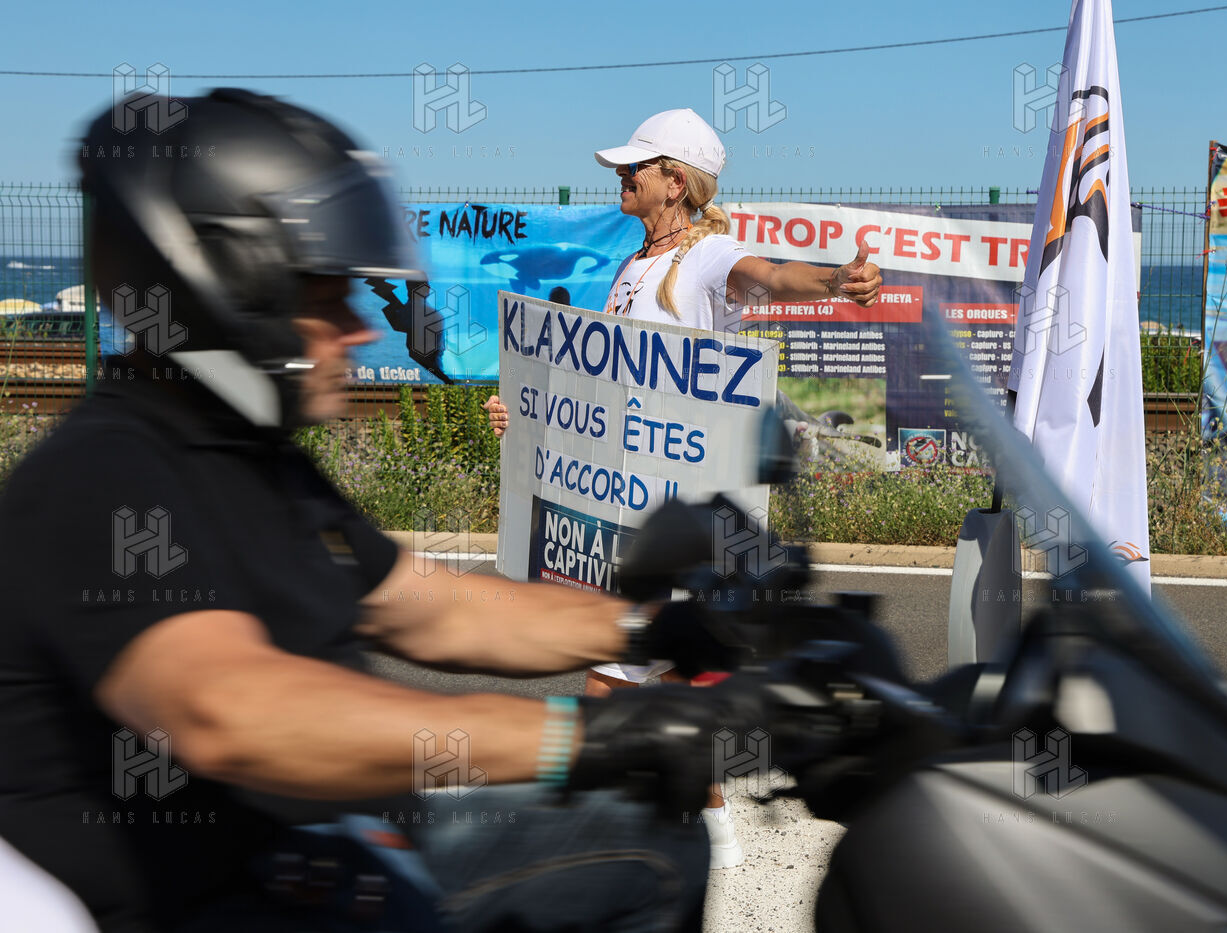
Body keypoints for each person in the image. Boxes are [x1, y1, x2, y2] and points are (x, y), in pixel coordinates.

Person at [0, 89, 769, 933]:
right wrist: (596, 739)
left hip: (303, 855)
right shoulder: (106, 473)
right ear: (230, 288)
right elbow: (236, 714)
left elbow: (436, 609)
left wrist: (664, 630)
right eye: (326, 298)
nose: (359, 330)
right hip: (207, 900)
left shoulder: (257, 463)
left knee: (653, 833)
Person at [483, 108, 883, 868]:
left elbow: (771, 277)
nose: (620, 174)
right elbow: (598, 394)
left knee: (626, 675)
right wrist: (526, 414)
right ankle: (704, 830)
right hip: (627, 502)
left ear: (675, 181)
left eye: (635, 165)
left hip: (680, 511)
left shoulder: (706, 257)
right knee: (654, 673)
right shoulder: (633, 264)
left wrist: (838, 279)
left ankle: (647, 836)